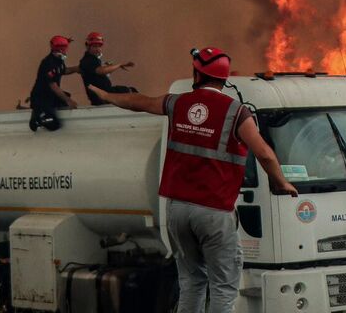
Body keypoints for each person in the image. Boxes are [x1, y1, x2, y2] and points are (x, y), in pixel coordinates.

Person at [92, 47, 298, 313]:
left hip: (177, 210)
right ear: (224, 79)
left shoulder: (178, 103)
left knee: (191, 282)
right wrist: (281, 182)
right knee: (223, 287)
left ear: (198, 75)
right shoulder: (235, 112)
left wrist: (107, 95)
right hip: (213, 211)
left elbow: (139, 102)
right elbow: (265, 154)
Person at [28, 35, 77, 131]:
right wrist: (68, 100)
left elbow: (63, 70)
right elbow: (53, 85)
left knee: (64, 99)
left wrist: (77, 69)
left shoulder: (58, 60)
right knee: (54, 124)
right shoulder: (49, 63)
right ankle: (37, 120)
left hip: (50, 95)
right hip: (43, 97)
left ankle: (39, 113)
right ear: (61, 49)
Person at [77, 31, 136, 105]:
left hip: (106, 93)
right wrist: (119, 65)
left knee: (131, 92)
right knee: (132, 93)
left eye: (99, 46)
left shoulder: (93, 60)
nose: (98, 49)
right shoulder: (87, 60)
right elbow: (101, 71)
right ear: (88, 46)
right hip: (102, 96)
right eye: (95, 46)